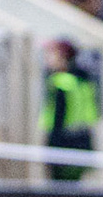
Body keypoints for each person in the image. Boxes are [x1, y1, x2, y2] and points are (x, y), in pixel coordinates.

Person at [40, 39, 99, 181]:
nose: (47, 59)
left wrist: (52, 148)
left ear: (62, 56)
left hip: (63, 143)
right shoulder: (84, 81)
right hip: (83, 140)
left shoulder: (61, 82)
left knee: (60, 191)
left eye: (51, 54)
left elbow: (58, 117)